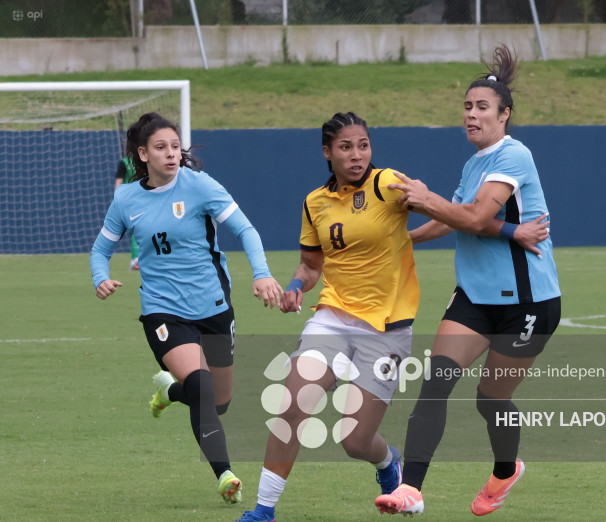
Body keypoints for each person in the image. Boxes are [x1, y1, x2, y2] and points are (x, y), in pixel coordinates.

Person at [375, 44, 560, 517]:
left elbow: (476, 216)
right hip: (475, 297)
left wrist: (422, 195)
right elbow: (453, 218)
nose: (471, 116)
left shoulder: (514, 156)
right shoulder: (474, 162)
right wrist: (404, 240)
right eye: (467, 107)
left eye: (482, 108)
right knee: (435, 383)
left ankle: (505, 470)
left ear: (505, 115)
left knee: (490, 398)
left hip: (528, 304)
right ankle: (409, 490)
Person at [90, 112, 283, 505]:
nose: (171, 154)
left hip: (213, 305)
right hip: (162, 311)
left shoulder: (199, 186)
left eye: (175, 146)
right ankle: (225, 475)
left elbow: (246, 229)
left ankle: (168, 391)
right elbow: (101, 248)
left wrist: (261, 274)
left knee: (219, 401)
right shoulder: (126, 198)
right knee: (202, 386)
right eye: (161, 148)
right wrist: (100, 277)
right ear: (142, 154)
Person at [236, 111, 420, 522]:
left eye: (363, 145)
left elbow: (445, 214)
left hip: (387, 330)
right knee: (293, 407)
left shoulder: (389, 183)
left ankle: (388, 461)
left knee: (355, 442)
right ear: (327, 152)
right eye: (345, 147)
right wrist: (296, 288)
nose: (356, 155)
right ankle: (263, 511)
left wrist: (410, 238)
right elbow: (311, 265)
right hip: (332, 319)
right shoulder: (315, 202)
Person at [113, 156, 140, 270]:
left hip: (134, 198)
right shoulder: (126, 163)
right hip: (135, 199)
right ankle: (136, 260)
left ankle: (139, 259)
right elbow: (118, 182)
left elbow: (118, 182)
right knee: (137, 228)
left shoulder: (125, 162)